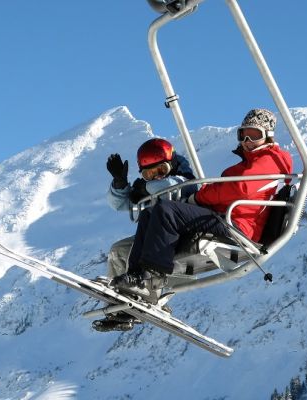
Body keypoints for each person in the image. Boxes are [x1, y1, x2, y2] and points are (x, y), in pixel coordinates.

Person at [113, 108, 293, 299]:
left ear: (268, 136)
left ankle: (152, 277)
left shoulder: (270, 160)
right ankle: (135, 277)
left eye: (254, 135)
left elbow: (239, 188)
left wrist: (198, 198)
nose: (247, 142)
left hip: (237, 225)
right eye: (243, 135)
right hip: (223, 217)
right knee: (150, 212)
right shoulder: (249, 163)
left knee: (166, 210)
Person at [93, 138, 196, 332]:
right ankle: (119, 305)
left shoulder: (186, 181)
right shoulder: (150, 187)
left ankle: (150, 294)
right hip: (154, 238)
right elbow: (119, 204)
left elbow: (169, 186)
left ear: (172, 165)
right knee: (118, 251)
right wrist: (120, 183)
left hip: (177, 237)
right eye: (149, 173)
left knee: (141, 253)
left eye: (161, 171)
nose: (156, 177)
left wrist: (144, 188)